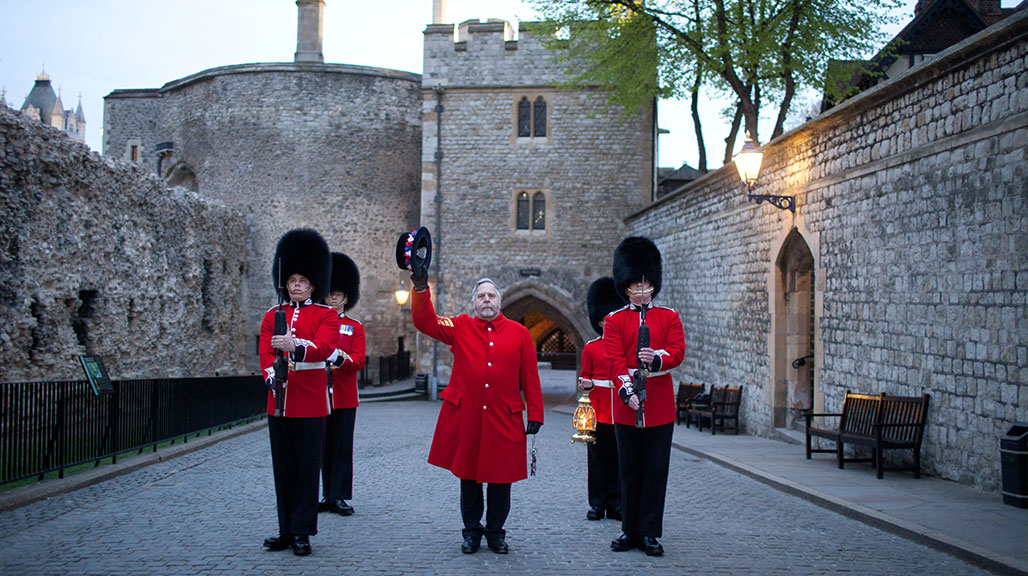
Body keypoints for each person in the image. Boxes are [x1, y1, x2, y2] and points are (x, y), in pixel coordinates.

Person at [409, 273, 544, 555]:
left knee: (500, 480)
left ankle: (495, 532)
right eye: (481, 296)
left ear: (500, 301)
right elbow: (426, 322)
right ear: (474, 302)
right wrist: (421, 289)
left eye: (491, 296)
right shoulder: (460, 326)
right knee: (468, 478)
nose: (486, 300)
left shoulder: (519, 333)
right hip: (468, 416)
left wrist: (536, 412)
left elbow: (530, 376)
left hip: (504, 417)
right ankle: (471, 532)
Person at [259, 229, 341, 557]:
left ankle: (303, 532)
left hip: (309, 402)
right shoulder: (271, 316)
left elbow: (325, 347)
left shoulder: (326, 315)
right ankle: (285, 529)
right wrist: (271, 376)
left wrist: (296, 346)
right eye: (291, 280)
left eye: (302, 281)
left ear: (313, 284)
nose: (296, 285)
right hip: (278, 402)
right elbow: (265, 353)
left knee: (308, 470)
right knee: (284, 469)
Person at [604, 236, 685, 557]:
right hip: (627, 408)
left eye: (646, 283)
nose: (640, 289)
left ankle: (649, 532)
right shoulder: (614, 320)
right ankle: (629, 531)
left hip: (660, 407)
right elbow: (612, 360)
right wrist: (627, 390)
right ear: (625, 287)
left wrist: (658, 358)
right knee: (629, 470)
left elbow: (678, 351)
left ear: (653, 284)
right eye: (634, 284)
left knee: (655, 470)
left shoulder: (669, 317)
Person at [320, 252, 366, 517]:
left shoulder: (354, 327)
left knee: (341, 447)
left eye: (339, 294)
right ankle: (324, 494)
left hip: (343, 395)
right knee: (320, 447)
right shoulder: (316, 323)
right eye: (331, 293)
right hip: (317, 395)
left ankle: (337, 495)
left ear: (346, 298)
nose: (334, 298)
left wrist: (338, 358)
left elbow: (358, 359)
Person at [577, 276, 624, 522]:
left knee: (617, 460)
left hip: (619, 410)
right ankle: (597, 504)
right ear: (600, 323)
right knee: (596, 461)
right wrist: (586, 383)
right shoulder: (591, 348)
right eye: (605, 320)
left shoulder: (625, 348)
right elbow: (584, 376)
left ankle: (616, 504)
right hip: (596, 412)